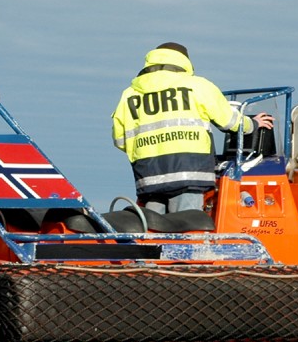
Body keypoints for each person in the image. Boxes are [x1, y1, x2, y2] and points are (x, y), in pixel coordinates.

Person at [112, 42, 273, 214]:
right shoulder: (197, 86)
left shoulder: (129, 94)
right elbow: (229, 120)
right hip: (189, 173)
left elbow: (120, 140)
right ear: (184, 61)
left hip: (149, 177)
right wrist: (253, 124)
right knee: (187, 228)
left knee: (153, 230)